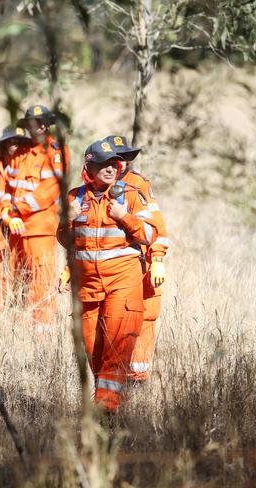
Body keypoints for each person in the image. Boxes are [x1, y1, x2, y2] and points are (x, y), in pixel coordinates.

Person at [58, 140, 158, 411]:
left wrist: (125, 217)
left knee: (115, 351)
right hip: (88, 288)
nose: (110, 169)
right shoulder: (74, 197)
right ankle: (109, 401)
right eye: (103, 164)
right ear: (90, 167)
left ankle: (107, 412)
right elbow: (67, 241)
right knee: (94, 351)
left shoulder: (131, 195)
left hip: (123, 285)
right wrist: (67, 220)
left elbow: (150, 235)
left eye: (113, 163)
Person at [102, 135, 169, 382]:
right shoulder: (97, 186)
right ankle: (114, 374)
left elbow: (156, 228)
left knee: (145, 317)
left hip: (142, 262)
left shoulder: (137, 185)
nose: (120, 164)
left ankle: (138, 376)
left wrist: (158, 260)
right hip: (112, 267)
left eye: (123, 159)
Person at [0, 107, 65, 333]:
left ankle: (43, 333)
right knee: (17, 283)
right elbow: (7, 186)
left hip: (40, 229)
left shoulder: (55, 152)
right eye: (32, 122)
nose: (37, 126)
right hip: (17, 231)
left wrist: (18, 208)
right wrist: (7, 211)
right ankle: (17, 333)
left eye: (41, 122)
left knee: (42, 283)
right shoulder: (22, 153)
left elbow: (49, 192)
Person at [0, 125, 32, 311]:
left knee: (23, 282)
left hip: (21, 236)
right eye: (13, 142)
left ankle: (18, 323)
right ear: (4, 145)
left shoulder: (29, 171)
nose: (16, 146)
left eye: (21, 142)